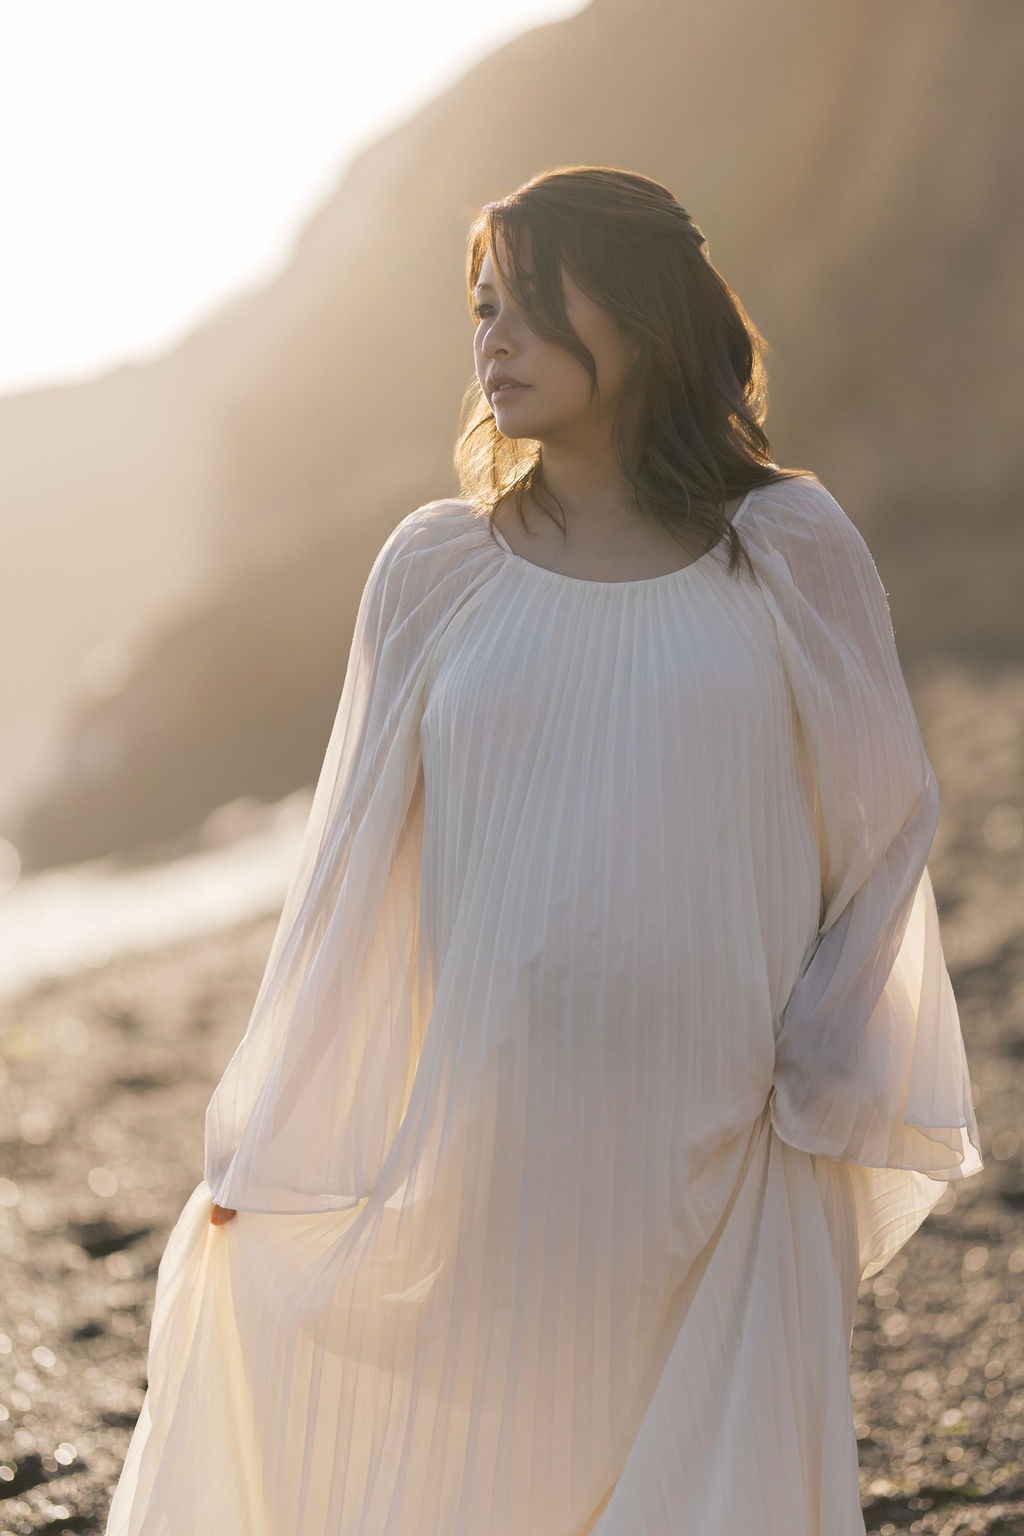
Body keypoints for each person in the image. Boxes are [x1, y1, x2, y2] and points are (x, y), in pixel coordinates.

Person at [105, 165, 981, 1536]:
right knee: (494, 1474)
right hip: (501, 1129)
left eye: (527, 303)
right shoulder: (434, 568)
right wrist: (265, 1139)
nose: (493, 341)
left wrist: (823, 1062)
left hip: (735, 1138)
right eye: (480, 310)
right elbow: (346, 874)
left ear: (640, 309)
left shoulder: (785, 544)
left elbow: (889, 822)